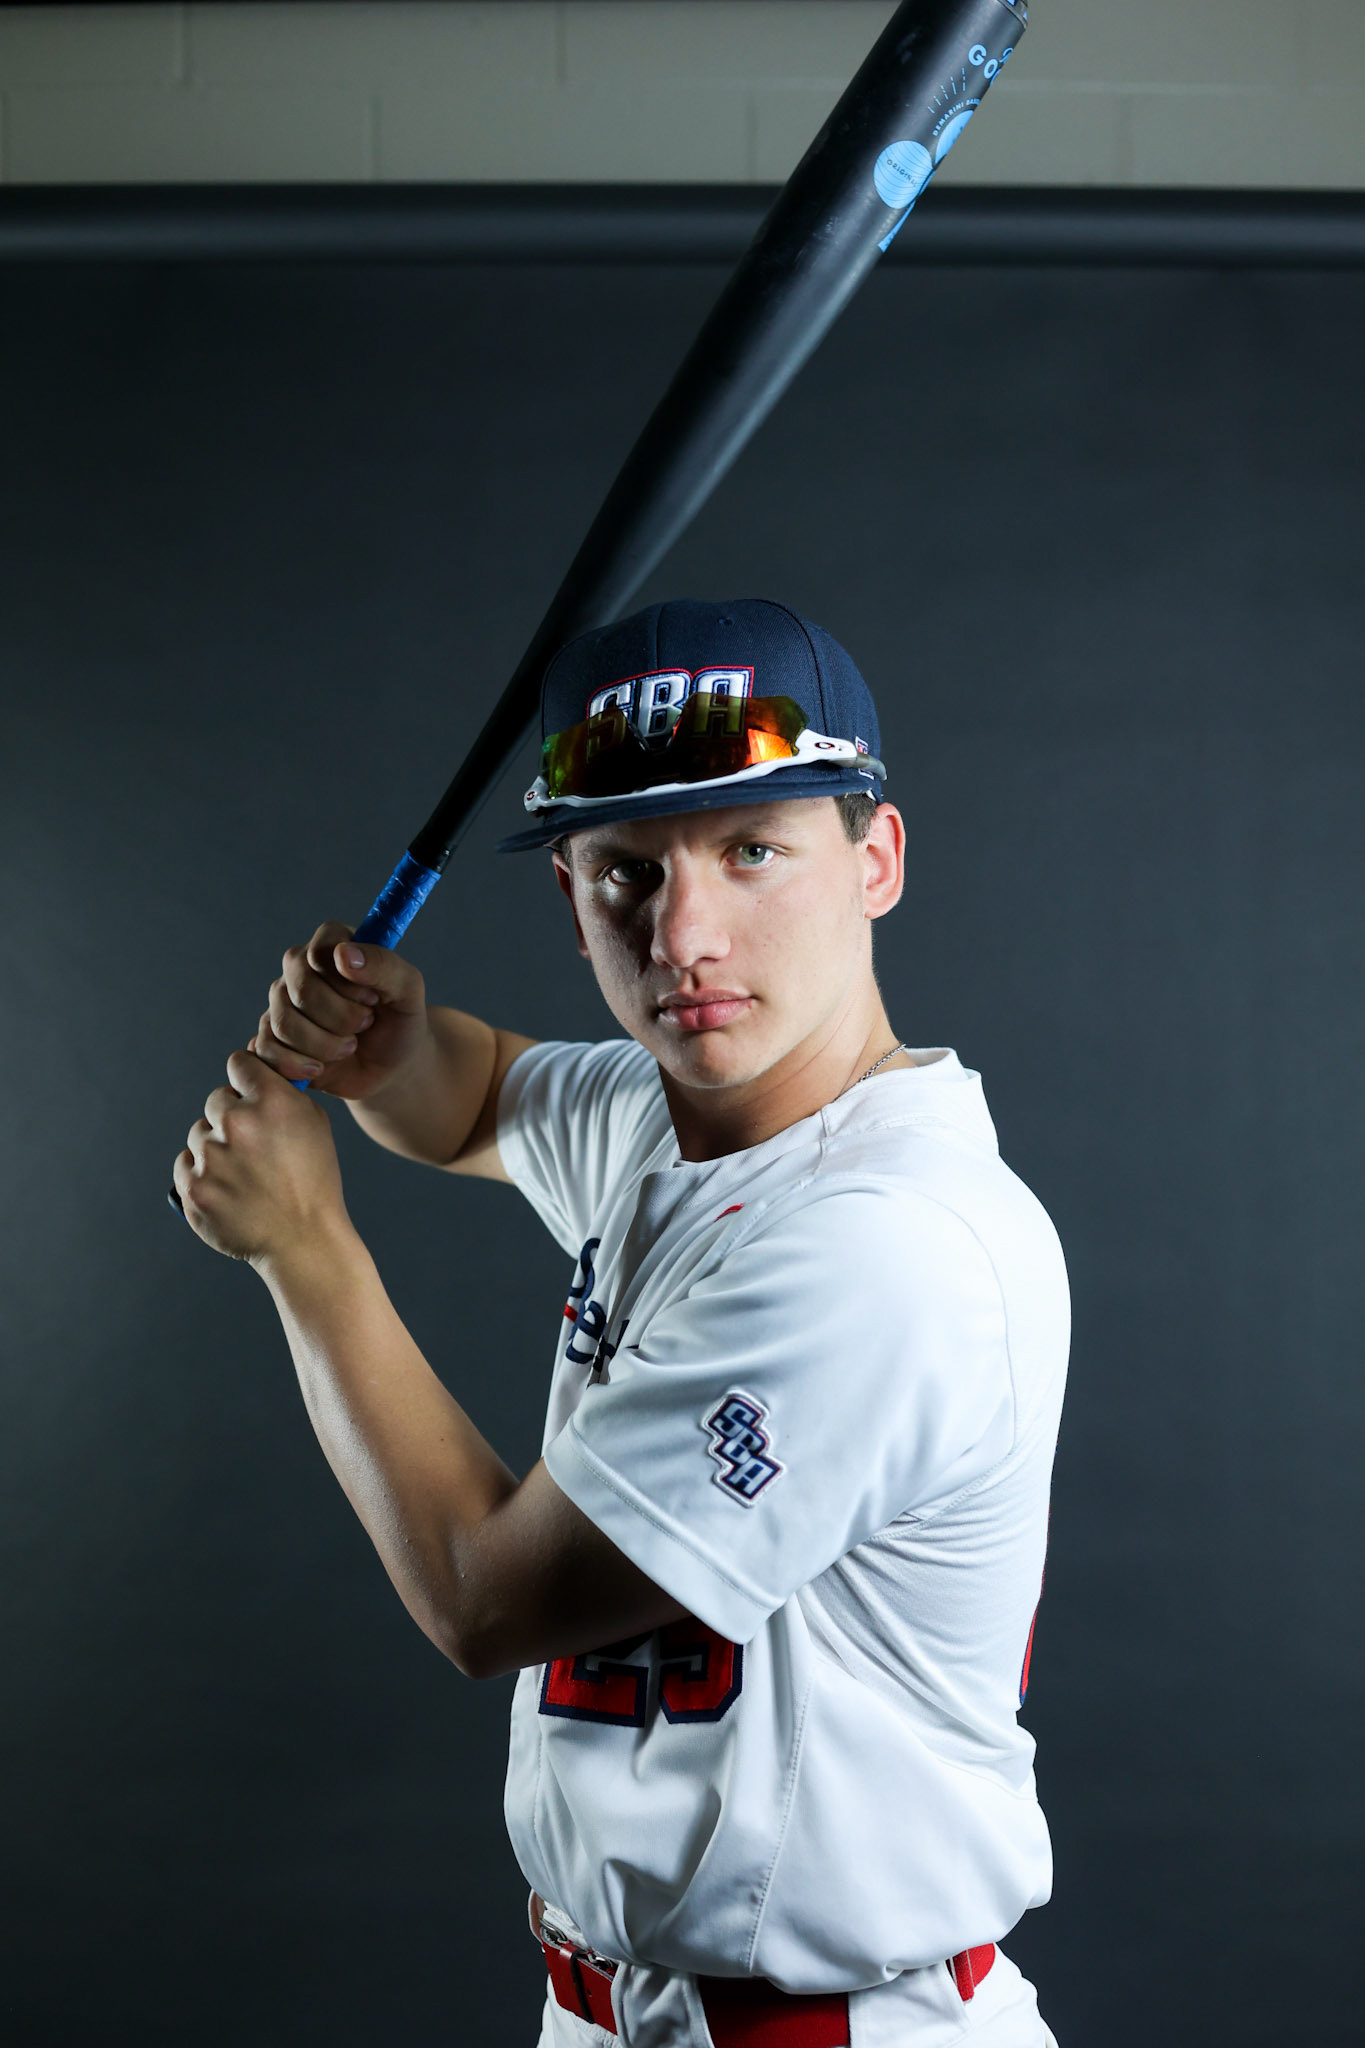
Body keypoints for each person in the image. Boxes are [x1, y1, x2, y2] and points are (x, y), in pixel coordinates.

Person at [174, 598, 1068, 2047]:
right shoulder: (674, 1118)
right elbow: (473, 1099)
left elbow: (484, 1596)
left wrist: (305, 1253)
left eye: (752, 850)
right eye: (626, 873)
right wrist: (389, 1041)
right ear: (571, 896)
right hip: (607, 2010)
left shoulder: (887, 1243)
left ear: (876, 859)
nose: (684, 934)